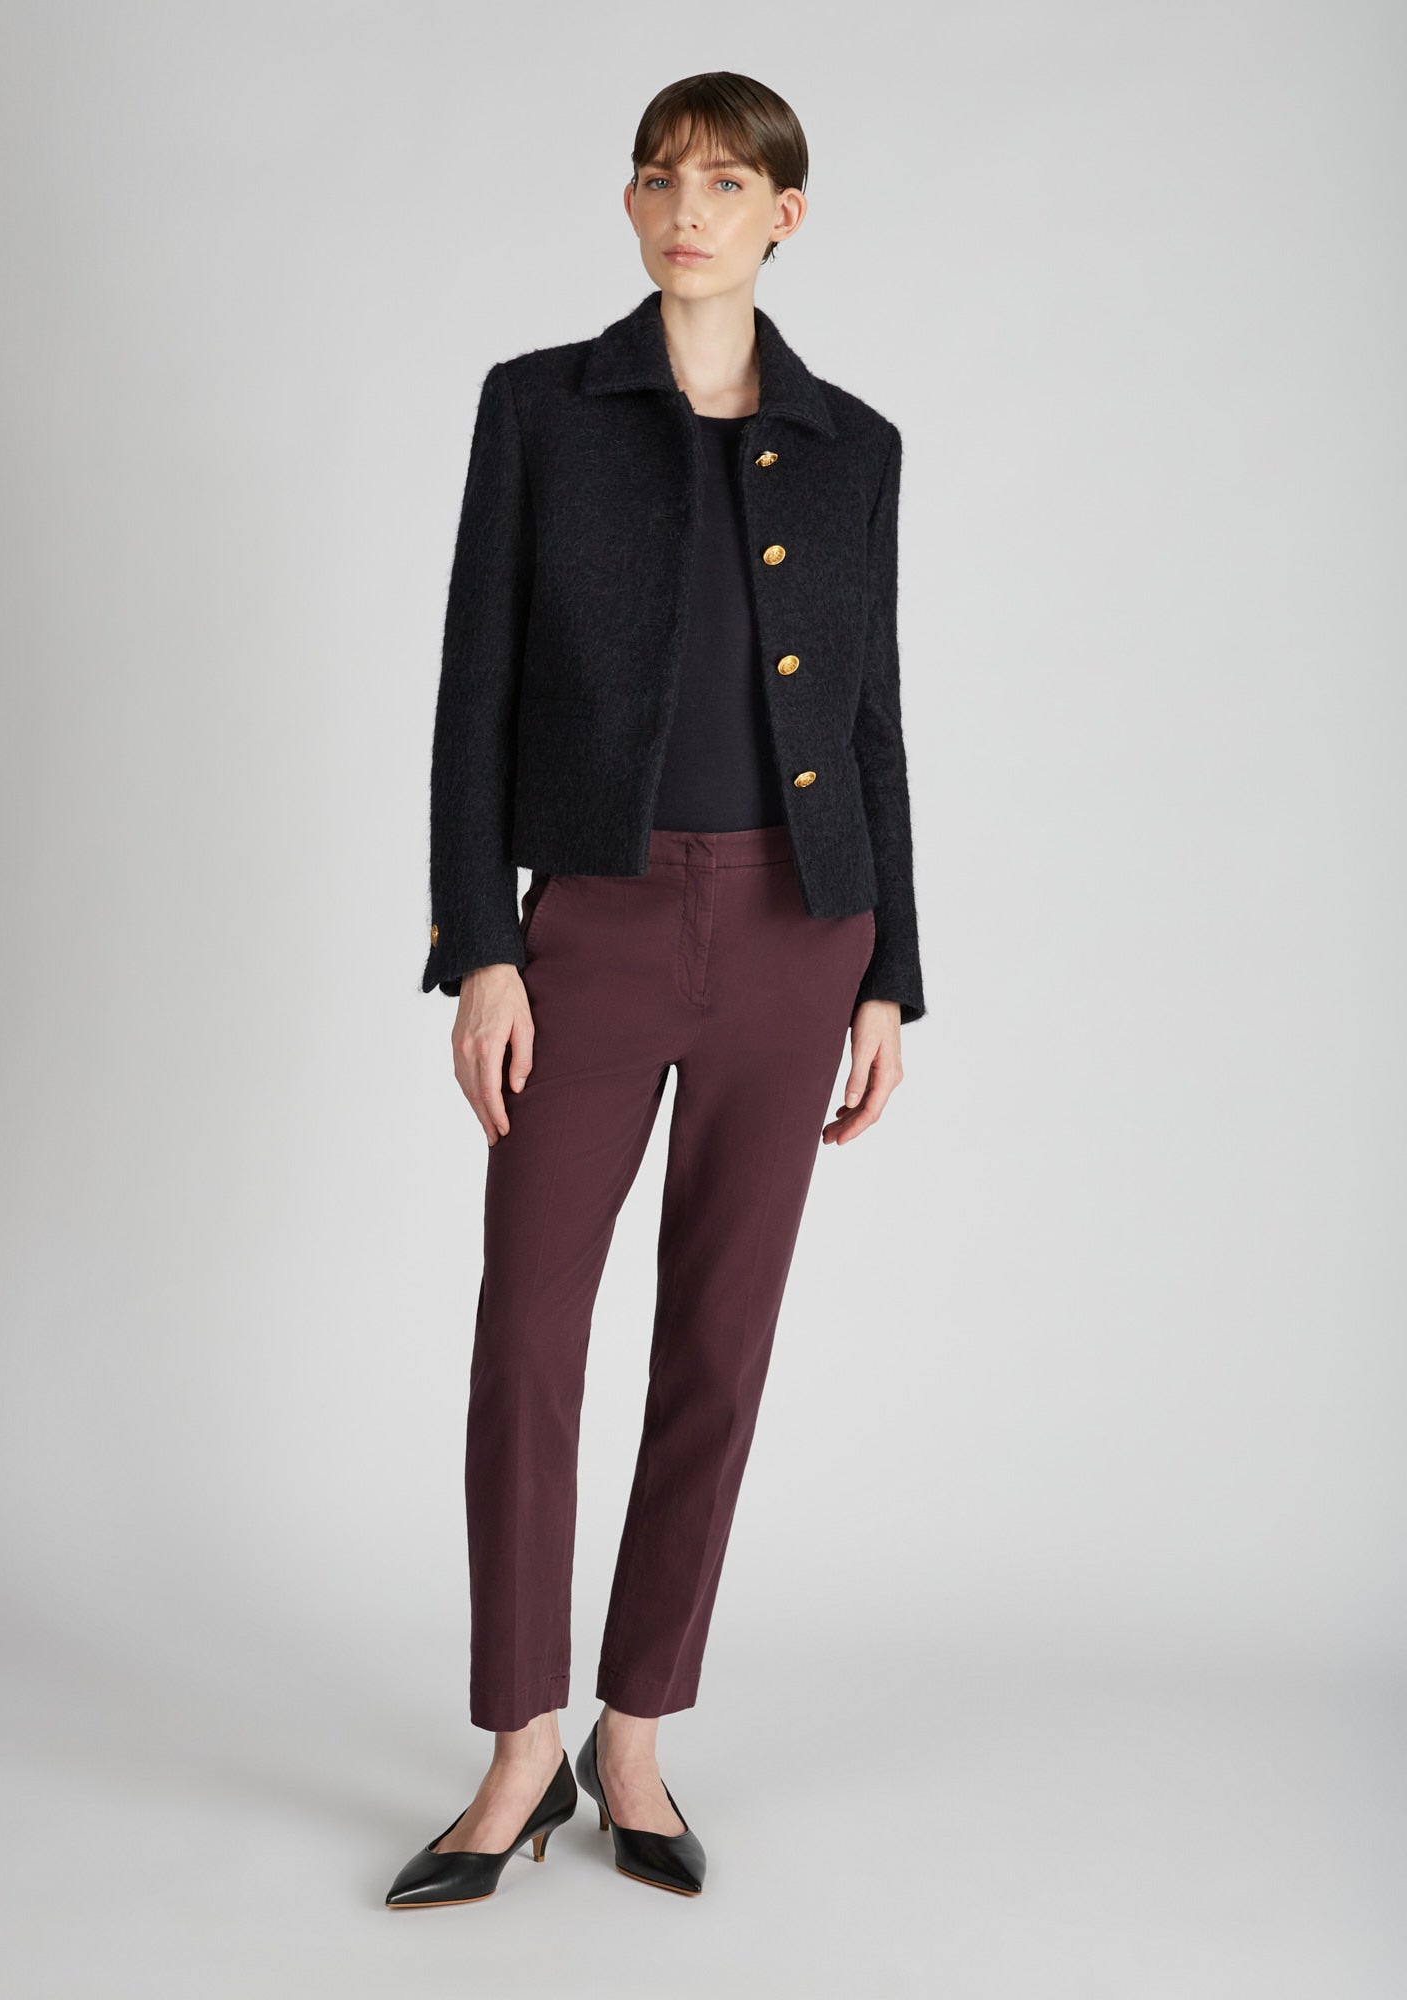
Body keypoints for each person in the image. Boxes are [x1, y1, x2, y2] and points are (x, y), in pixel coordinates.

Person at [387, 70, 926, 1910]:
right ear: (629, 208)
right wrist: (481, 944)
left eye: (726, 183)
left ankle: (635, 1735)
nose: (688, 209)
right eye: (659, 179)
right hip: (596, 931)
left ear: (787, 215)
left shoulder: (855, 448)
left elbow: (872, 720)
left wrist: (892, 973)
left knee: (719, 1342)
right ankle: (516, 1747)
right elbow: (472, 693)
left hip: (799, 937)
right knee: (528, 1334)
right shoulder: (540, 408)